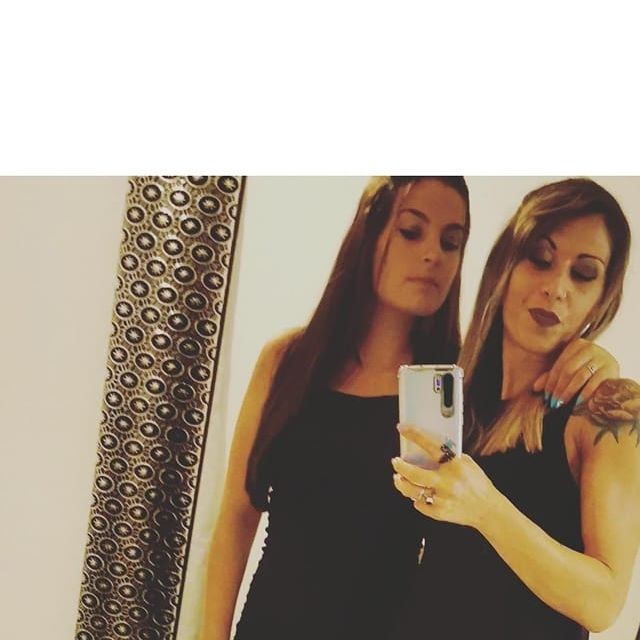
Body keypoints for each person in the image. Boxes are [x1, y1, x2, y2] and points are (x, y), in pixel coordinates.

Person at [199, 177, 619, 640]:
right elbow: (237, 514)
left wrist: (597, 365)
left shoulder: (453, 388)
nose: (433, 255)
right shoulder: (288, 361)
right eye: (411, 231)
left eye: (451, 242)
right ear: (370, 232)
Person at [392, 178, 639, 639]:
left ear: (602, 298)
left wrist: (486, 509)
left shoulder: (610, 408)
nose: (556, 288)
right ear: (504, 264)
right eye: (540, 259)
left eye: (583, 273)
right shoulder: (456, 394)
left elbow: (603, 603)